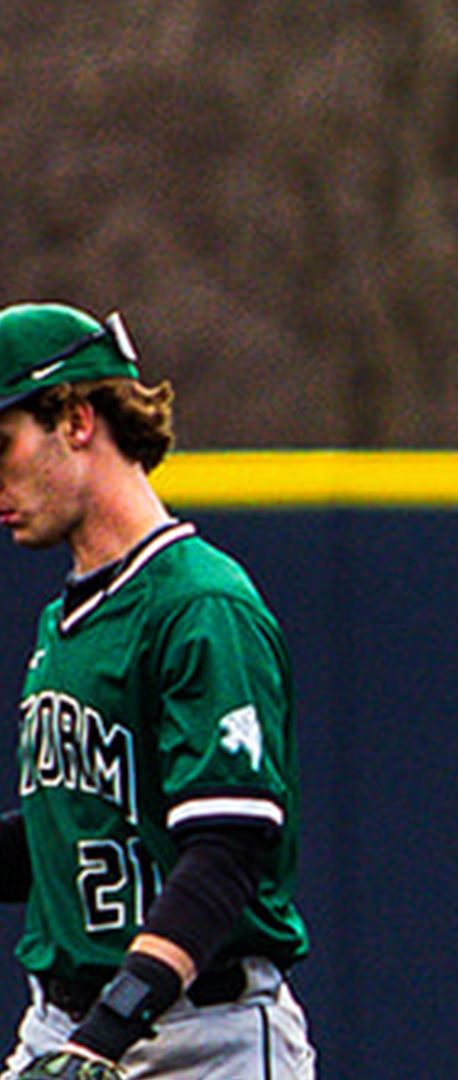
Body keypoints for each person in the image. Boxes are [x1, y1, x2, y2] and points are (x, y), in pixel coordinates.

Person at [0, 303, 315, 1080]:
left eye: (1, 445)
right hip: (64, 1026)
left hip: (203, 1038)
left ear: (76, 419)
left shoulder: (199, 604)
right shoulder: (66, 621)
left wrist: (102, 1037)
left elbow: (228, 848)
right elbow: (63, 835)